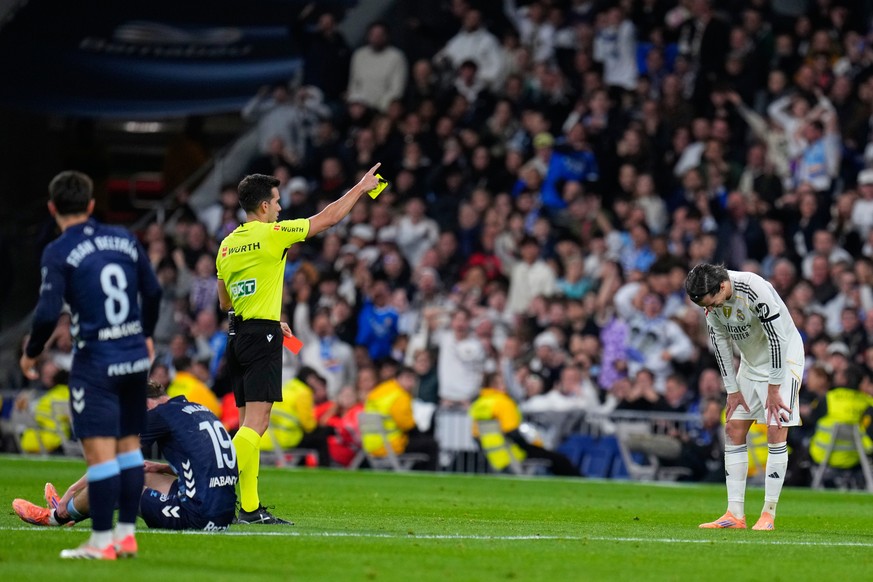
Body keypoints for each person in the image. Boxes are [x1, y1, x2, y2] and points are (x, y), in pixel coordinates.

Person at [216, 164, 382, 524]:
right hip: (261, 338)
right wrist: (360, 187)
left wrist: (265, 311)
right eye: (275, 202)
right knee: (257, 426)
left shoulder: (227, 245)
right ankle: (208, 476)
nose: (279, 208)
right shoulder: (273, 234)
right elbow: (329, 218)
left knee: (247, 424)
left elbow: (225, 303)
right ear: (262, 207)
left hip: (236, 336)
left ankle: (248, 507)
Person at [19, 171, 162, 559]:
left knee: (99, 457)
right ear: (92, 204)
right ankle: (127, 535)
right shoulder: (124, 237)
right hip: (133, 356)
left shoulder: (59, 250)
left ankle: (101, 542)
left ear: (52, 208)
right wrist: (146, 333)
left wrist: (32, 353)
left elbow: (48, 313)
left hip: (96, 361)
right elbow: (153, 290)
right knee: (130, 450)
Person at [12, 381, 237, 536]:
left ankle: (55, 516)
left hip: (197, 517)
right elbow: (208, 462)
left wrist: (73, 488)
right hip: (222, 514)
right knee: (142, 473)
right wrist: (163, 468)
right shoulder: (196, 408)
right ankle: (71, 510)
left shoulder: (157, 416)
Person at [685, 262, 804, 531]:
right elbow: (720, 342)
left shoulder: (754, 288)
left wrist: (774, 388)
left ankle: (768, 514)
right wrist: (732, 389)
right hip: (751, 363)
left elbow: (778, 339)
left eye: (712, 302)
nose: (711, 309)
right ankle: (734, 514)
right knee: (733, 427)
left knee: (776, 427)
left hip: (784, 360)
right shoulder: (711, 300)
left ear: (723, 286)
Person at [470, 372, 581, 477]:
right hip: (513, 453)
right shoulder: (503, 403)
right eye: (503, 382)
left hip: (494, 457)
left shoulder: (479, 404)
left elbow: (476, 435)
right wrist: (531, 447)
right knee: (559, 460)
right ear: (496, 385)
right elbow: (512, 432)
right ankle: (579, 481)